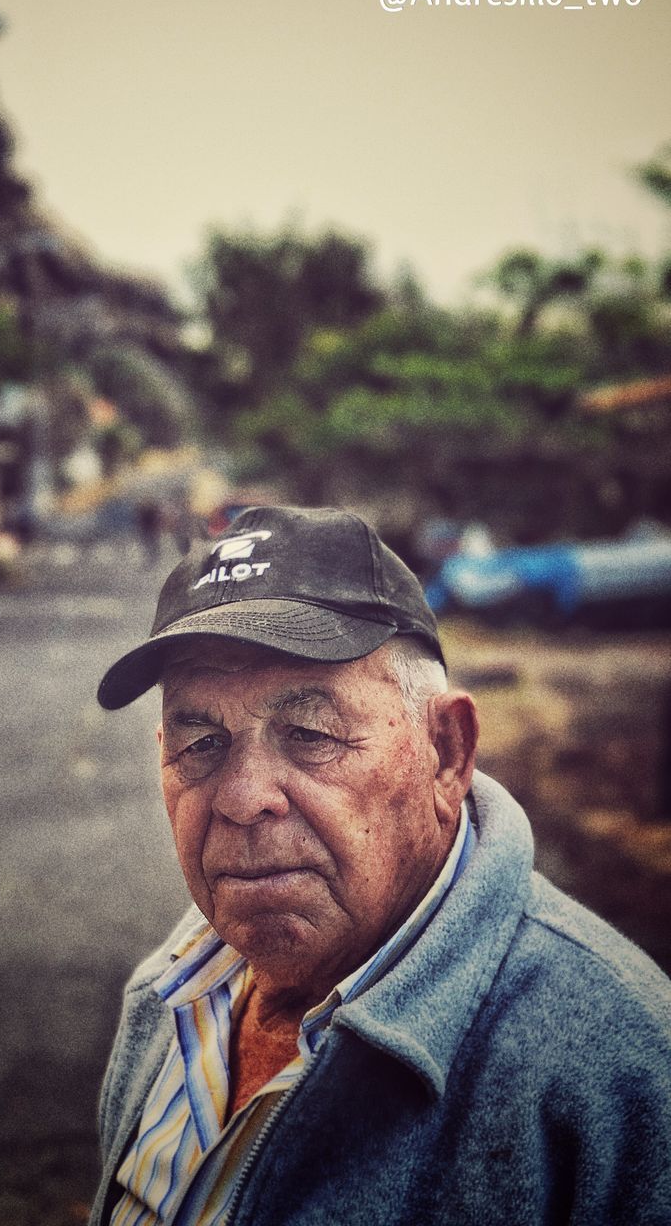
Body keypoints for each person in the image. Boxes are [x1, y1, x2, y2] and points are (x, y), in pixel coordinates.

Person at [91, 505, 671, 1226]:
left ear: (446, 752)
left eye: (310, 733)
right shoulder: (170, 993)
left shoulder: (615, 1065)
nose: (241, 800)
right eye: (200, 742)